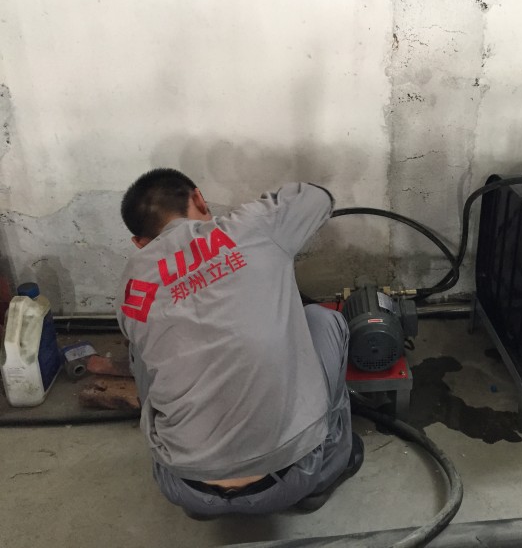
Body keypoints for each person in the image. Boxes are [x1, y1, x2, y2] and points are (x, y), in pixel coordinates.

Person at [116, 168, 363, 519]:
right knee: (325, 321)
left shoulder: (130, 287)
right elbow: (317, 196)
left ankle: (203, 485)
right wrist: (252, 209)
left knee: (142, 348)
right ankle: (328, 470)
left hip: (185, 485)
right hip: (291, 476)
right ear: (199, 199)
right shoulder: (250, 227)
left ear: (140, 243)